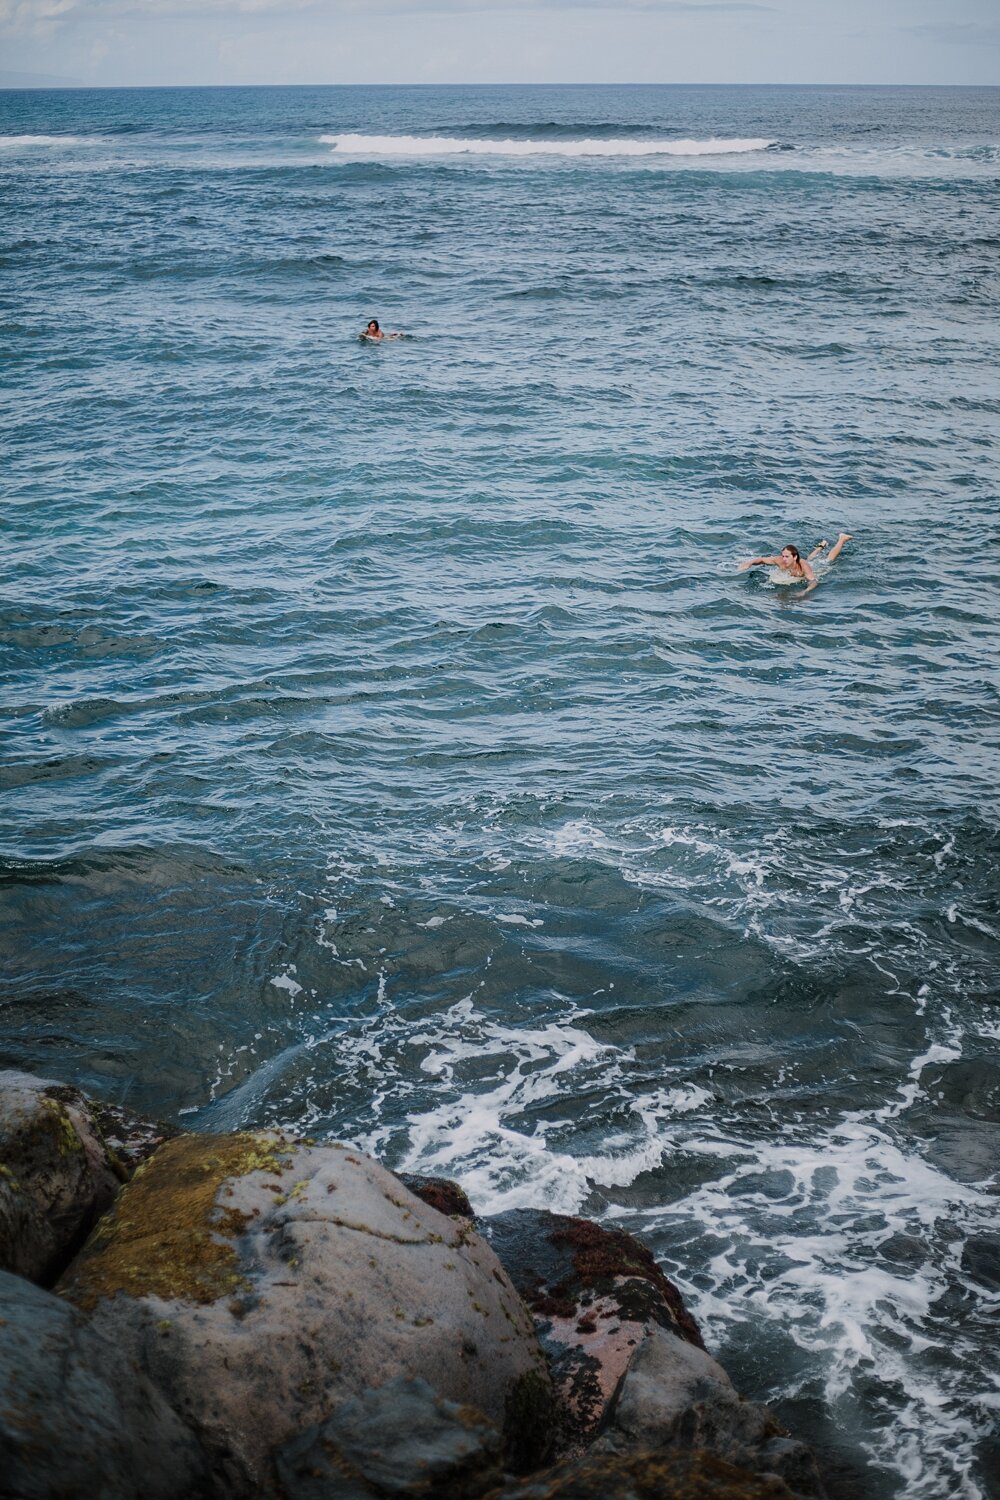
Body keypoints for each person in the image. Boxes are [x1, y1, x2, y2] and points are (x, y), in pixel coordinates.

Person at [738, 533, 852, 595]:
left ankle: (842, 538)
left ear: (795, 557)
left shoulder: (803, 565)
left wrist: (805, 591)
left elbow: (813, 581)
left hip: (814, 569)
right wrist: (749, 563)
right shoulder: (779, 560)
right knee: (810, 558)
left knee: (827, 561)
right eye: (783, 556)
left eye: (787, 557)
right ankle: (822, 545)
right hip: (805, 563)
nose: (784, 559)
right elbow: (762, 560)